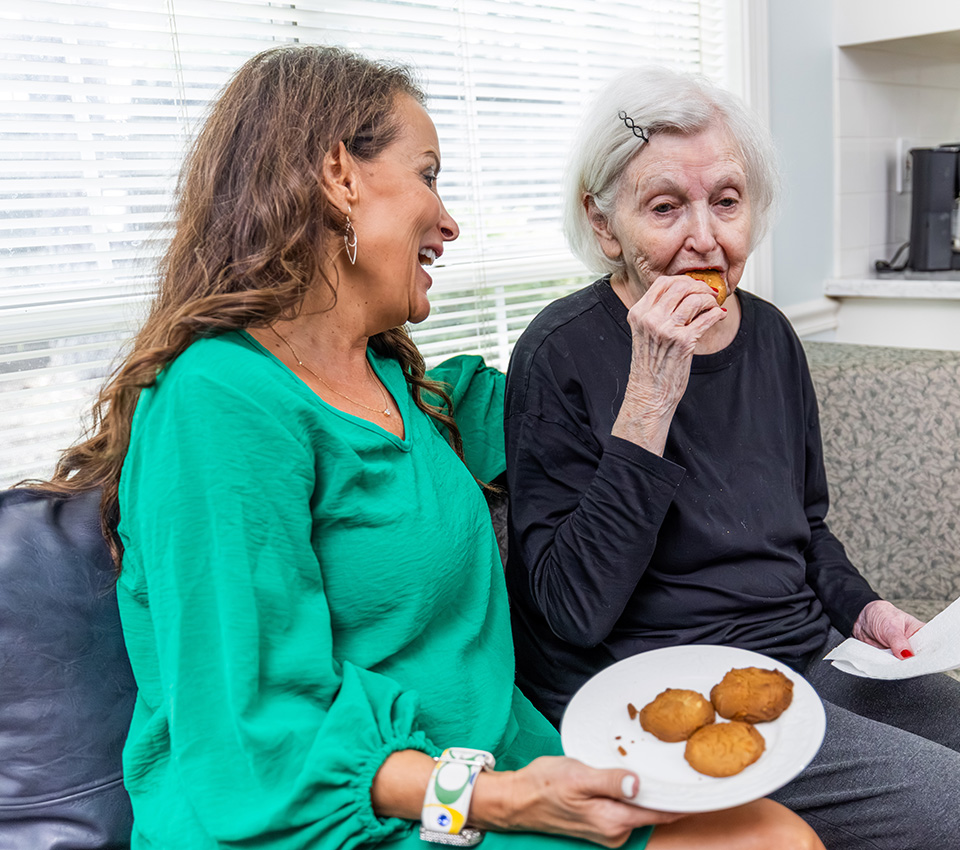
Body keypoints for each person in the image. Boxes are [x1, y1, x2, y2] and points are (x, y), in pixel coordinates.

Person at [37, 46, 820, 850]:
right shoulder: (217, 401)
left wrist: (689, 339)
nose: (449, 223)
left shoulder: (404, 387)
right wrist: (500, 798)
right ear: (339, 175)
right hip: (340, 815)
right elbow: (252, 734)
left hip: (488, 771)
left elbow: (587, 406)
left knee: (770, 833)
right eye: (428, 175)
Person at [503, 66, 960, 850]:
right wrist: (648, 398)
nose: (705, 238)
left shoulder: (771, 336)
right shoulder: (558, 353)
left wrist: (862, 608)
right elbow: (572, 611)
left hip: (800, 654)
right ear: (604, 223)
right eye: (664, 207)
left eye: (726, 201)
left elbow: (806, 528)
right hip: (655, 686)